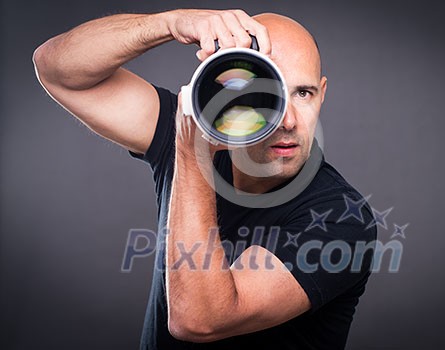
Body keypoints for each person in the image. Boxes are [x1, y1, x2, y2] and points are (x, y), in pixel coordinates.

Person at [33, 8, 377, 350]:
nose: (288, 120)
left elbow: (198, 320)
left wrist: (192, 149)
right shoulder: (186, 130)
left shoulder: (342, 219)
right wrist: (170, 22)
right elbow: (57, 68)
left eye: (303, 93)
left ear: (322, 93)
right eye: (268, 93)